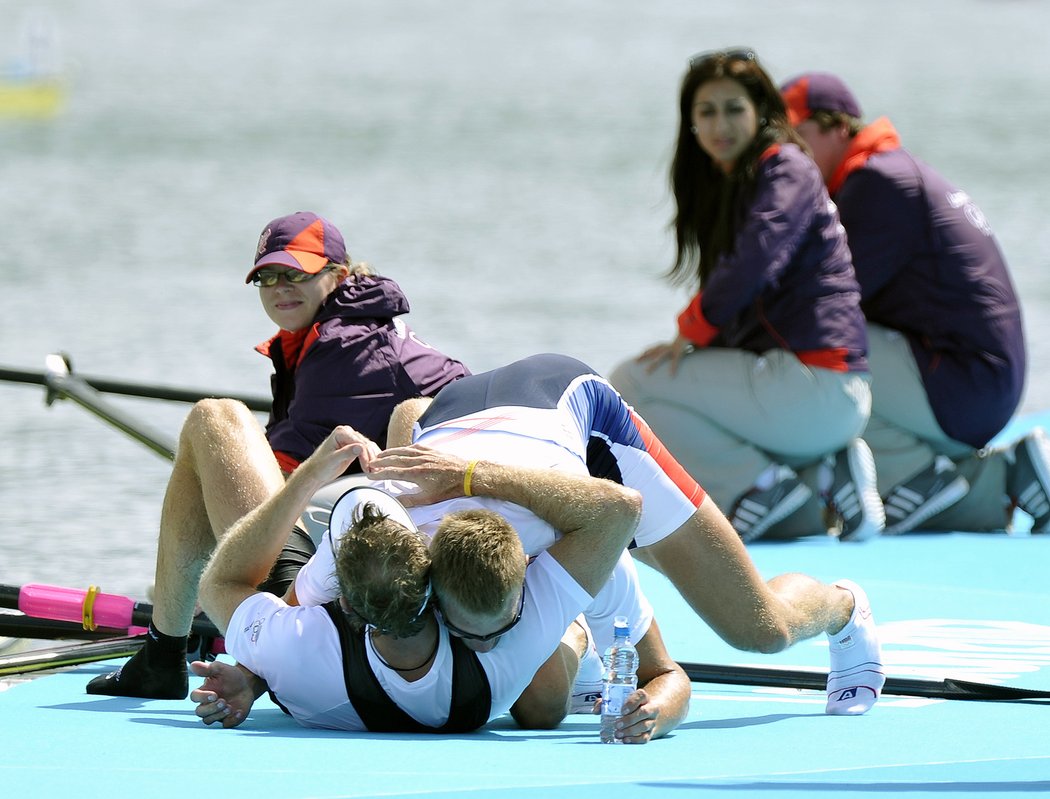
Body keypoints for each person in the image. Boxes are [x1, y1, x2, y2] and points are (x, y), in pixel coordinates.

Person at [361, 353, 885, 716]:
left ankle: (843, 607)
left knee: (760, 628)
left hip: (586, 420)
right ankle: (579, 639)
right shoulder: (401, 541)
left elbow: (662, 671)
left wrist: (655, 704)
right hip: (464, 408)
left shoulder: (570, 529)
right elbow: (410, 409)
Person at [86, 210, 469, 699]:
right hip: (392, 565)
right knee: (207, 454)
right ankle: (165, 647)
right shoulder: (342, 331)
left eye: (296, 274)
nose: (279, 287)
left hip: (343, 589)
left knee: (215, 419)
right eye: (266, 277)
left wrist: (214, 576)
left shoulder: (347, 348)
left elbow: (287, 475)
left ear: (340, 274)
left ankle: (165, 646)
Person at [190, 420, 673, 737]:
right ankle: (417, 420)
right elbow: (619, 509)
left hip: (436, 477)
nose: (483, 642)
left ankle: (162, 644)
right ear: (433, 594)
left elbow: (221, 584)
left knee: (216, 420)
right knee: (542, 706)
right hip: (501, 460)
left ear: (346, 606)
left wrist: (308, 477)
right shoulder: (503, 665)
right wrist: (469, 477)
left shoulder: (293, 646)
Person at [607, 49, 883, 544]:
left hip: (818, 384)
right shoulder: (738, 180)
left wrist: (689, 330)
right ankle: (821, 477)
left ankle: (760, 488)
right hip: (813, 389)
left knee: (632, 384)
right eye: (707, 112)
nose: (721, 125)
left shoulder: (786, 168)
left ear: (761, 111)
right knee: (651, 393)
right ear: (690, 122)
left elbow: (757, 256)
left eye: (734, 108)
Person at [780, 72, 1046, 533]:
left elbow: (823, 306)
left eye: (796, 138)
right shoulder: (888, 170)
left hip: (966, 386)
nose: (789, 157)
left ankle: (913, 475)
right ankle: (1011, 473)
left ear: (838, 127)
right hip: (977, 380)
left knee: (817, 355)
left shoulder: (876, 184)